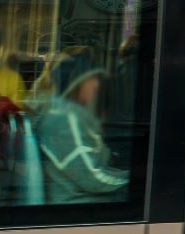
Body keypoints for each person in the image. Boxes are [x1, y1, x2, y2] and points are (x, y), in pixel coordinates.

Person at [35, 50, 129, 204]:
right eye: (93, 79)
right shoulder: (65, 120)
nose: (97, 85)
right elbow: (91, 177)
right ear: (77, 82)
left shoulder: (69, 113)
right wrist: (129, 181)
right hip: (77, 201)